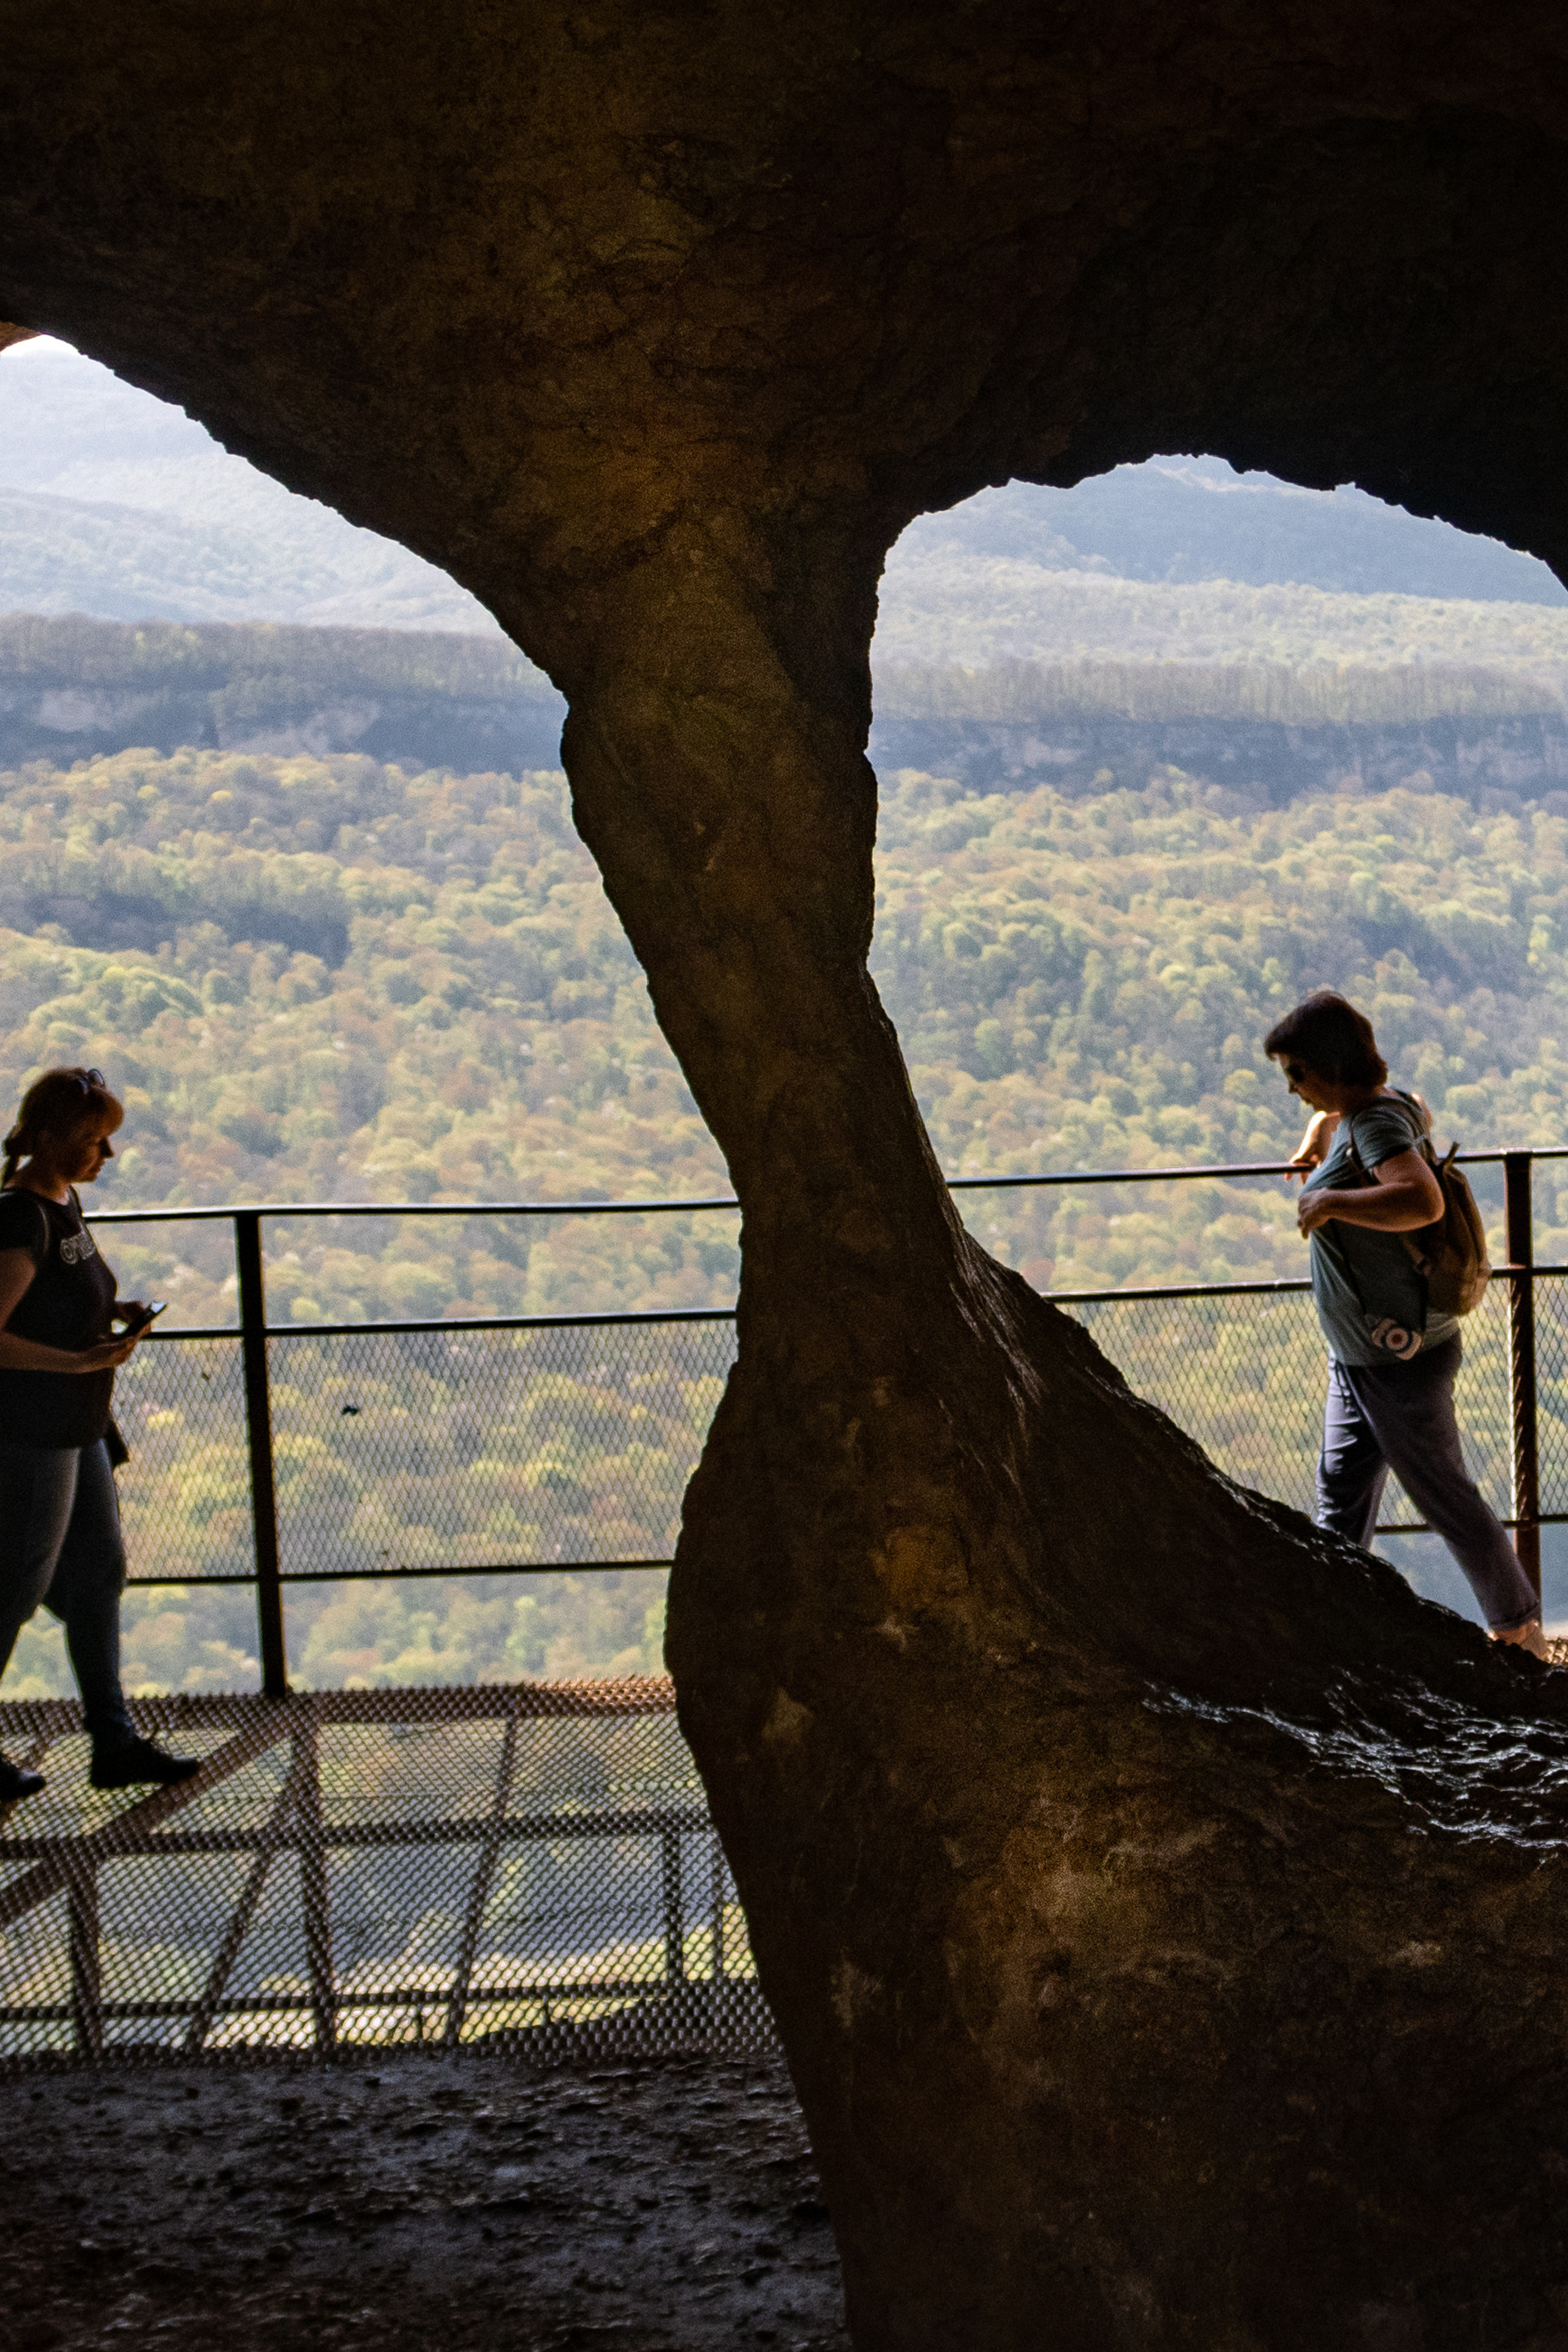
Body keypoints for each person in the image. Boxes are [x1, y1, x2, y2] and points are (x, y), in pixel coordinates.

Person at [1265, 991, 1547, 1657]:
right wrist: (1322, 1131)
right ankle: (1337, 1627)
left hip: (1395, 1358)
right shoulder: (1383, 1107)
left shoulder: (1373, 1124)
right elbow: (1413, 1105)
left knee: (1443, 1495)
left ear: (1329, 1068)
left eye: (1296, 1075)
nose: (1292, 1089)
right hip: (1366, 1354)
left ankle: (1519, 1633)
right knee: (1341, 1495)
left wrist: (1328, 1199)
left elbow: (1419, 1200)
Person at [0, 1067, 197, 1802]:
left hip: (79, 1426)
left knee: (99, 1575)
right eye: (93, 1142)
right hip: (35, 1434)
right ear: (48, 1140)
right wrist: (78, 1360)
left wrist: (114, 1314)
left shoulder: (62, 1202)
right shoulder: (18, 1218)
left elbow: (58, 1298)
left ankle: (113, 1741)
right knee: (15, 1588)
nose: (105, 1157)